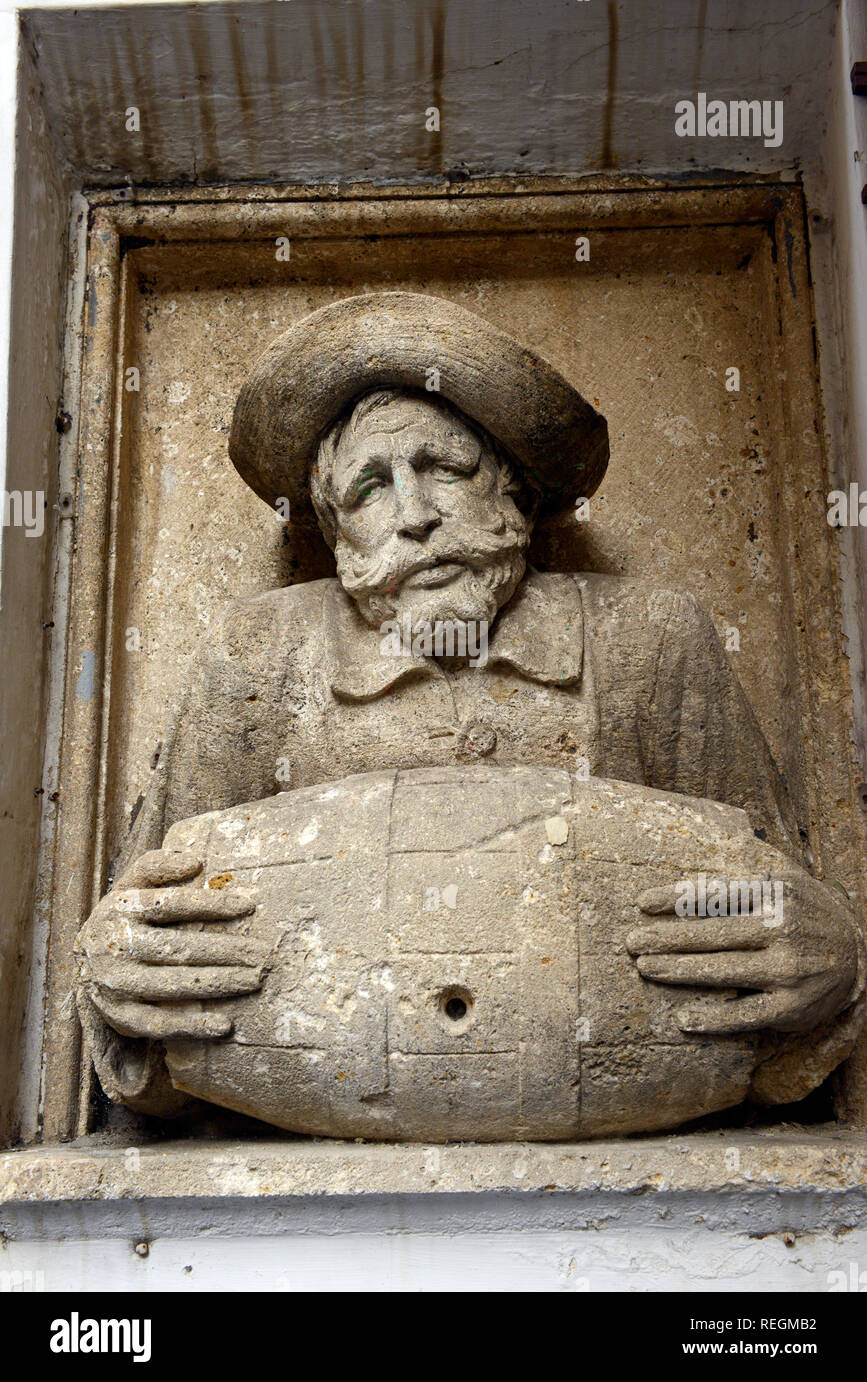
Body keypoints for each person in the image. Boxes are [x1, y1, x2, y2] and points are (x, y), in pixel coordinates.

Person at [77, 292, 864, 1120]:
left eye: (444, 469)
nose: (414, 516)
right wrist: (116, 970)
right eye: (370, 488)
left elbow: (777, 911)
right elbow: (145, 935)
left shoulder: (647, 642)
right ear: (336, 532)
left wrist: (828, 955)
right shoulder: (259, 656)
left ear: (515, 493)